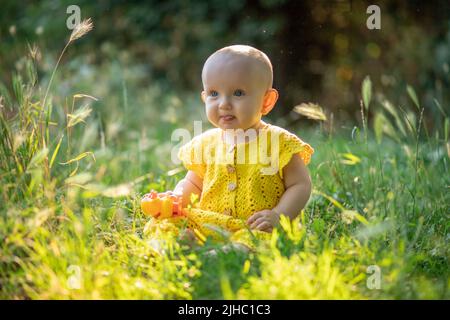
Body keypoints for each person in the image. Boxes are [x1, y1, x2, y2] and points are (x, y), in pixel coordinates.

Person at [149, 45, 314, 250]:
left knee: (258, 240)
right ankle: (173, 245)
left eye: (238, 93)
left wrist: (279, 215)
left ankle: (230, 253)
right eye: (214, 94)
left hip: (255, 225)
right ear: (204, 98)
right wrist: (176, 199)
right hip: (210, 221)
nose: (223, 103)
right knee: (169, 221)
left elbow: (300, 185)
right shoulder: (205, 144)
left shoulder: (279, 142)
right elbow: (193, 182)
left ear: (266, 101)